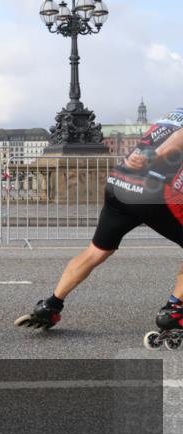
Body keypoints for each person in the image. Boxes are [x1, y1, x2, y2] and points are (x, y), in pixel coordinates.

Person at [16, 107, 183, 338]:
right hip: (153, 190)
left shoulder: (175, 113)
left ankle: (50, 306)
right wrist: (151, 157)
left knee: (96, 251)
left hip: (120, 183)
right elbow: (179, 139)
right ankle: (174, 312)